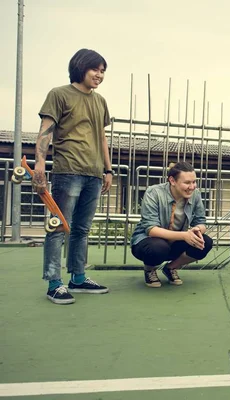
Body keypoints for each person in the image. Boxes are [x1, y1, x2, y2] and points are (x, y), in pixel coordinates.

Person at [34, 49, 112, 305]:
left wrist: (108, 169)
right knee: (58, 227)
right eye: (95, 69)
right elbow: (46, 130)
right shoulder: (59, 94)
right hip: (68, 170)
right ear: (81, 67)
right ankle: (54, 283)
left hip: (93, 173)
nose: (99, 75)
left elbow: (101, 137)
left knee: (81, 229)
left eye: (102, 71)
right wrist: (39, 166)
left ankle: (78, 277)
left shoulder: (100, 101)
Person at [131, 162, 213, 288]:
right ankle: (149, 269)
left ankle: (171, 268)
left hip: (176, 241)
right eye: (187, 183)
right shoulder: (153, 192)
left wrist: (197, 230)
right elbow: (151, 229)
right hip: (148, 241)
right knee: (158, 247)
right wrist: (185, 235)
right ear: (172, 181)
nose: (192, 187)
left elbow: (201, 221)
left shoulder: (195, 194)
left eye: (194, 182)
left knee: (205, 242)